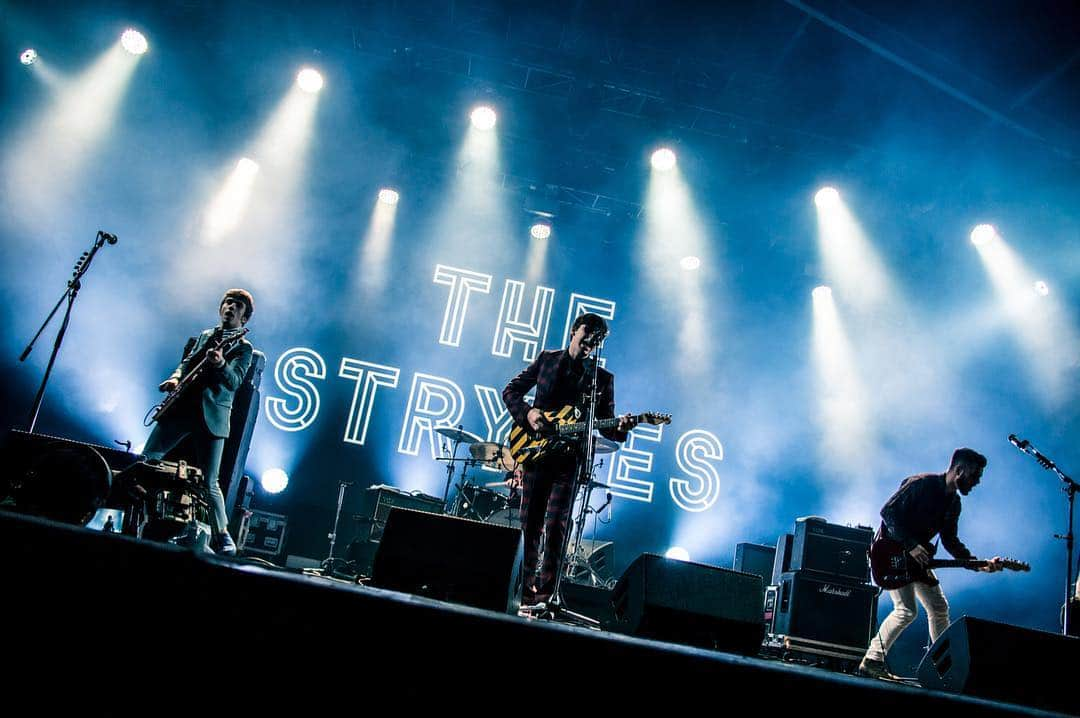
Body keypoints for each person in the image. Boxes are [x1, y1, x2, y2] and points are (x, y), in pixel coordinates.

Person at [502, 313, 637, 608]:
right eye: (588, 336)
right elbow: (511, 390)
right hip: (535, 454)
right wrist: (528, 414)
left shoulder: (601, 379)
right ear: (575, 331)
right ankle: (521, 592)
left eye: (597, 340)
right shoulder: (547, 359)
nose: (591, 343)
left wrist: (622, 427)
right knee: (530, 524)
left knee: (556, 526)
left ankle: (545, 595)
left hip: (569, 462)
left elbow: (606, 424)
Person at [858, 448, 1003, 678]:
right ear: (959, 470)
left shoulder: (953, 504)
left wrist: (977, 564)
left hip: (917, 562)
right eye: (975, 476)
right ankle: (872, 660)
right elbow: (888, 512)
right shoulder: (921, 484)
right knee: (906, 610)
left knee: (939, 608)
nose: (976, 482)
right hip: (890, 554)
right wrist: (911, 545)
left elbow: (950, 540)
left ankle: (943, 668)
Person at [143, 289, 255, 555]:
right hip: (183, 409)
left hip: (212, 416)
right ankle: (145, 517)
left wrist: (220, 365)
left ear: (245, 318)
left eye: (237, 306)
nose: (230, 307)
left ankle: (222, 536)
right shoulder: (206, 335)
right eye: (228, 303)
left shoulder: (243, 347)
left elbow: (234, 382)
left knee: (210, 481)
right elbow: (187, 362)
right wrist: (174, 378)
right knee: (148, 459)